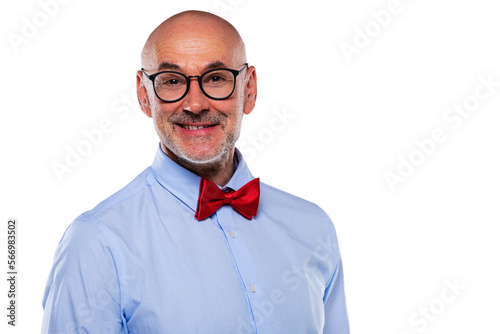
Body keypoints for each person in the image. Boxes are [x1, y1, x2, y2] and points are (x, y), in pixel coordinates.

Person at [41, 10, 350, 333]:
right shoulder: (96, 244)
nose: (196, 104)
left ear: (250, 88)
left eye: (216, 78)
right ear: (144, 95)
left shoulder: (314, 227)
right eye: (172, 81)